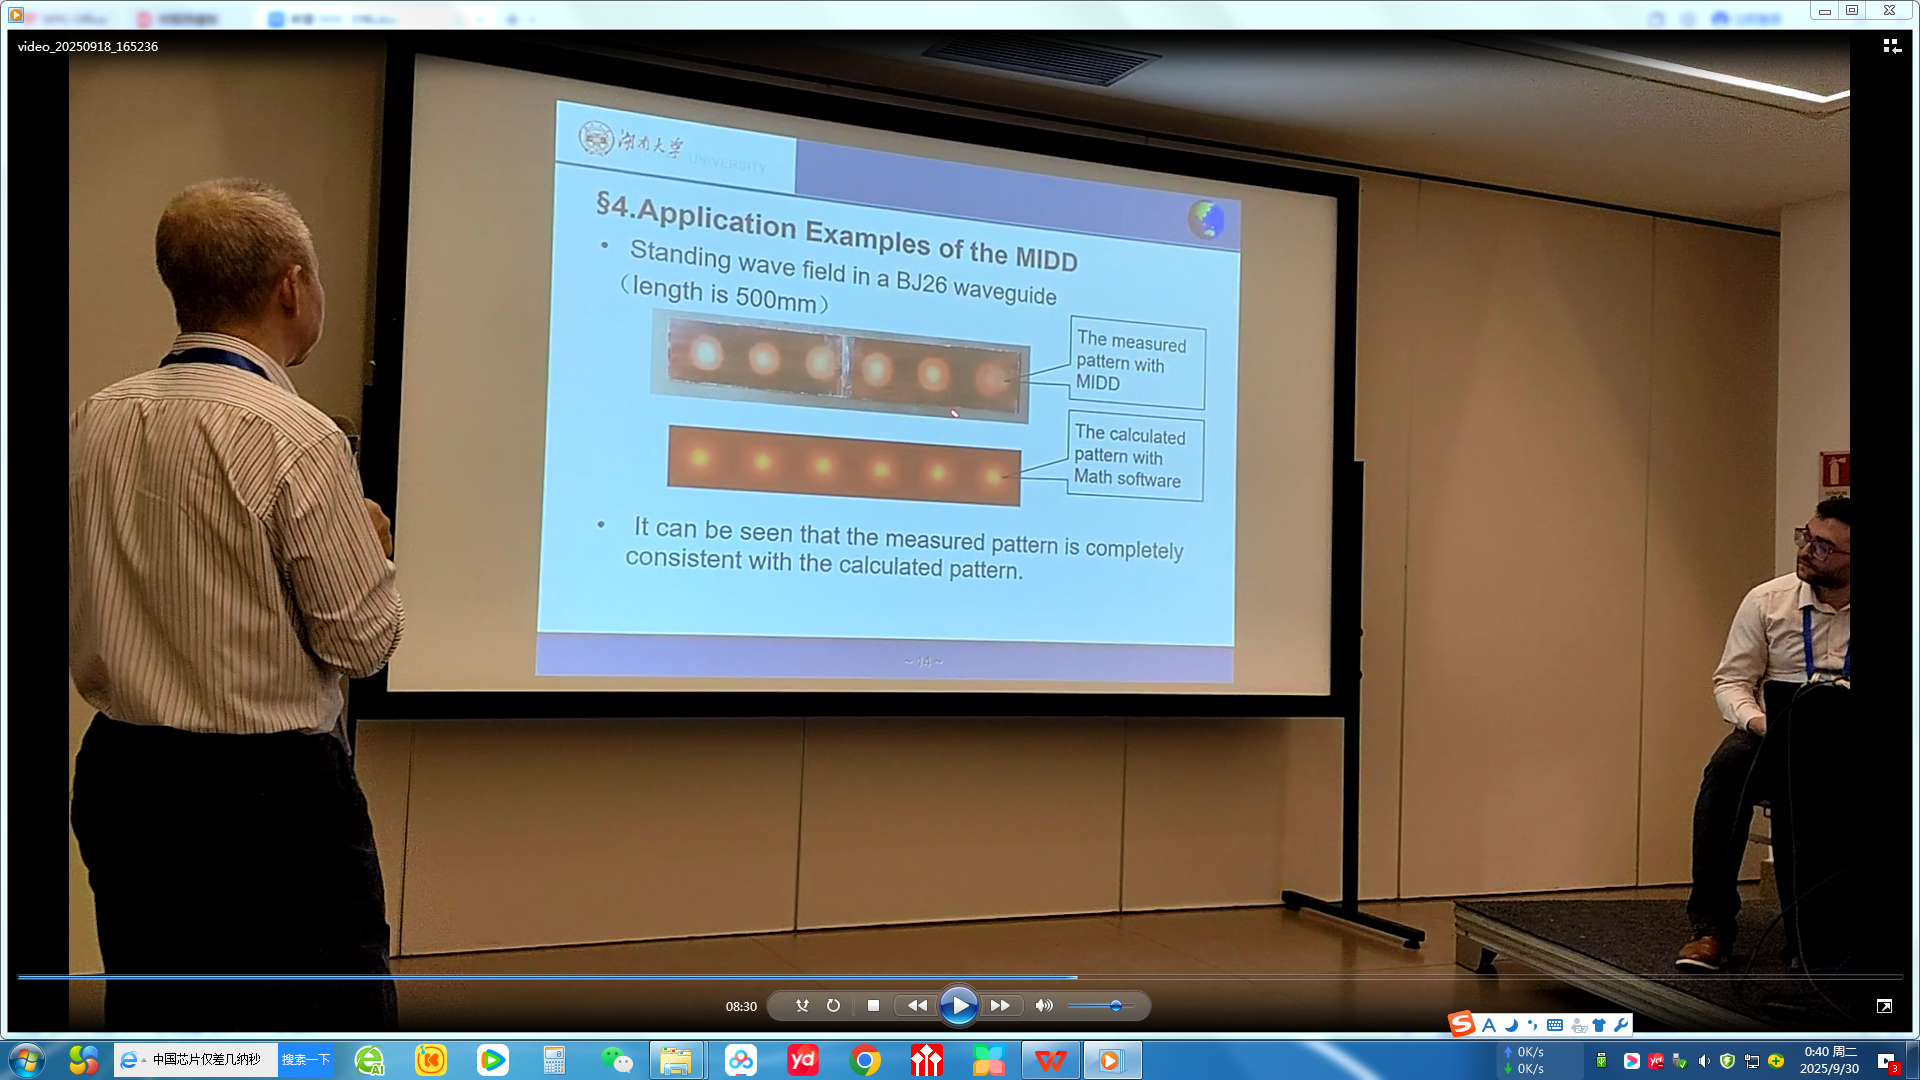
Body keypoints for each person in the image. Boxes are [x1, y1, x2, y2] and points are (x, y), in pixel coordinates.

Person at [68, 179, 405, 1028]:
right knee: (321, 1035)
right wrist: (369, 548)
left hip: (124, 778)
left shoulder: (94, 418)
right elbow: (363, 644)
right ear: (292, 286)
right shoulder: (296, 436)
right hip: (270, 801)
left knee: (160, 1021)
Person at [1674, 496, 1849, 972]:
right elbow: (1731, 681)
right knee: (1727, 769)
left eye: (1824, 546)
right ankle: (1711, 928)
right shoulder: (1768, 600)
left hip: (1849, 742)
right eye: (1806, 537)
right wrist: (1761, 723)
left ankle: (1822, 938)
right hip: (1775, 733)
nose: (1806, 550)